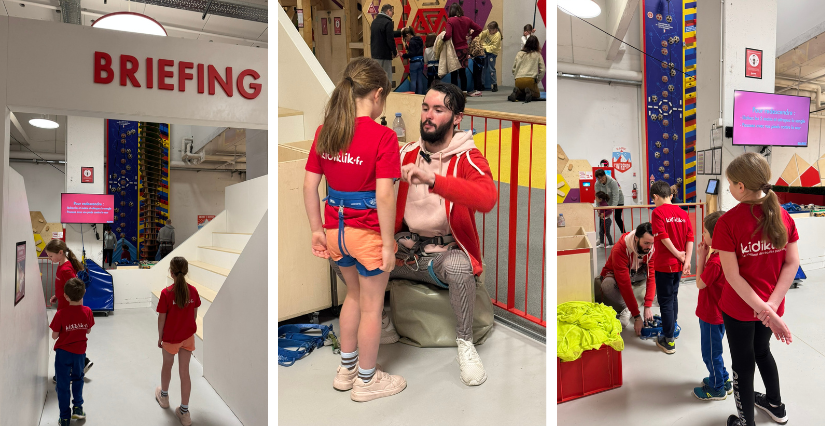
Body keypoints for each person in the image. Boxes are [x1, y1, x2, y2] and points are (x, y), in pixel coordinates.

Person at [329, 80, 498, 386]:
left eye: (438, 109)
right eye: (425, 108)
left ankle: (466, 345)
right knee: (341, 250)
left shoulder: (468, 157)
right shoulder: (405, 152)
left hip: (441, 257)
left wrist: (434, 180)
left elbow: (487, 198)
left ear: (457, 118)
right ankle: (380, 321)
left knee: (459, 266)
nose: (428, 116)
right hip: (403, 252)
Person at [303, 57, 405, 402]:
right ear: (377, 94)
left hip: (335, 232)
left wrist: (317, 230)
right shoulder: (384, 137)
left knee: (353, 297)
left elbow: (308, 187)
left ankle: (346, 370)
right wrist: (389, 244)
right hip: (368, 234)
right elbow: (384, 195)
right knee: (373, 307)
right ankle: (366, 380)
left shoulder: (326, 131)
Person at [713, 153, 796, 426]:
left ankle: (746, 422)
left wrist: (764, 310)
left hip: (741, 309)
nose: (729, 189)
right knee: (762, 352)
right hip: (771, 308)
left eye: (729, 184)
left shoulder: (727, 223)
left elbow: (732, 276)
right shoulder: (784, 216)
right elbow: (792, 264)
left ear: (740, 186)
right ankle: (775, 406)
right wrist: (771, 309)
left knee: (743, 364)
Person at [155, 257, 201, 426]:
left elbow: (161, 318)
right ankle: (184, 412)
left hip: (171, 338)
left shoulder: (166, 293)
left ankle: (164, 396)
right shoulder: (193, 291)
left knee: (167, 366)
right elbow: (194, 316)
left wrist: (160, 337)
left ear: (171, 272)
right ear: (186, 271)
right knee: (185, 372)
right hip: (187, 337)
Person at [650, 180, 694, 354]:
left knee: (665, 301)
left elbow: (662, 236)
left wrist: (677, 254)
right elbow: (690, 237)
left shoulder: (657, 212)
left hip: (665, 264)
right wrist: (687, 260)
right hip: (679, 265)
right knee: (673, 296)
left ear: (656, 196)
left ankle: (668, 341)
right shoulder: (682, 212)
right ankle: (672, 329)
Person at [693, 211, 732, 401]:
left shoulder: (715, 262)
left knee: (710, 353)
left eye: (705, 233)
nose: (703, 236)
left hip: (711, 314)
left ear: (715, 237)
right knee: (715, 349)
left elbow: (700, 283)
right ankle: (723, 378)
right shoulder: (724, 255)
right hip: (720, 311)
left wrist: (701, 257)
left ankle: (717, 388)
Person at [46, 239, 93, 381]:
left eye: (50, 256)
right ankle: (82, 362)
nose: (49, 259)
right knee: (69, 340)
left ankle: (72, 370)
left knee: (67, 342)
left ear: (60, 253)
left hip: (69, 311)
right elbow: (65, 287)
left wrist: (80, 311)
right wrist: (57, 295)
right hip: (63, 306)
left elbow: (77, 290)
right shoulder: (61, 264)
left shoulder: (66, 269)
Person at [50, 277, 94, 426]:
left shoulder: (61, 314)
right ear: (84, 293)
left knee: (62, 384)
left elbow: (54, 335)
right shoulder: (87, 311)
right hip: (80, 353)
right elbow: (87, 330)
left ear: (66, 296)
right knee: (78, 378)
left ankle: (64, 417)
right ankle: (78, 408)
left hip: (63, 354)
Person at [599, 223, 656, 335]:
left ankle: (636, 301)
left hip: (637, 273)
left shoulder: (652, 248)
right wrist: (637, 316)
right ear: (636, 238)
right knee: (607, 285)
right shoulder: (619, 249)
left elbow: (651, 276)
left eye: (652, 243)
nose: (649, 247)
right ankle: (628, 307)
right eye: (646, 243)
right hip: (617, 274)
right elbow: (624, 285)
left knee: (661, 274)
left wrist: (648, 306)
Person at [443, 3, 482, 94]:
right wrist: (471, 36)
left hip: (454, 50)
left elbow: (448, 35)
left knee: (453, 72)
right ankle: (464, 93)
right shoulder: (467, 19)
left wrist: (443, 39)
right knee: (462, 72)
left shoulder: (450, 21)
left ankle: (454, 93)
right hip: (464, 49)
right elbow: (479, 29)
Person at [508, 35, 545, 103]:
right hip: (530, 80)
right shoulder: (537, 54)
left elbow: (513, 68)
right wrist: (538, 79)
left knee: (521, 91)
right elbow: (543, 70)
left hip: (518, 80)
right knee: (537, 94)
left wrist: (516, 76)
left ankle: (517, 92)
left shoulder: (519, 53)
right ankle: (530, 93)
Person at [370, 4, 401, 84]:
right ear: (388, 11)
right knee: (387, 77)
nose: (392, 15)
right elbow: (390, 39)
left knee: (377, 77)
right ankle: (388, 95)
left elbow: (383, 35)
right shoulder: (388, 22)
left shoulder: (374, 22)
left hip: (375, 54)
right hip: (385, 55)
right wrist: (394, 52)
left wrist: (400, 32)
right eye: (392, 12)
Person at [594, 169, 626, 234]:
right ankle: (601, 238)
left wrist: (611, 208)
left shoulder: (612, 182)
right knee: (602, 217)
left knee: (617, 218)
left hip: (619, 200)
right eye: (599, 178)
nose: (600, 180)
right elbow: (598, 197)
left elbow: (616, 196)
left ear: (605, 175)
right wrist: (598, 208)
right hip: (607, 201)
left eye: (602, 177)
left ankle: (624, 235)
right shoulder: (597, 184)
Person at [401, 27, 426, 95]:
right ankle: (420, 95)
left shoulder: (411, 42)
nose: (407, 40)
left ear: (408, 35)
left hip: (414, 62)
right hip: (421, 61)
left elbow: (411, 54)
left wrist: (403, 55)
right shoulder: (420, 39)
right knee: (420, 80)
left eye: (406, 38)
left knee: (413, 80)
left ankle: (413, 96)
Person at [479, 21, 502, 92]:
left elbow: (493, 47)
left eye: (490, 30)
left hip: (492, 53)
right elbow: (483, 34)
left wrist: (484, 47)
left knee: (491, 69)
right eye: (488, 30)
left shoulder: (497, 36)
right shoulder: (488, 31)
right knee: (483, 68)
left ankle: (494, 84)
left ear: (495, 30)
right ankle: (482, 84)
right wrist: (478, 39)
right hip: (486, 51)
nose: (489, 31)